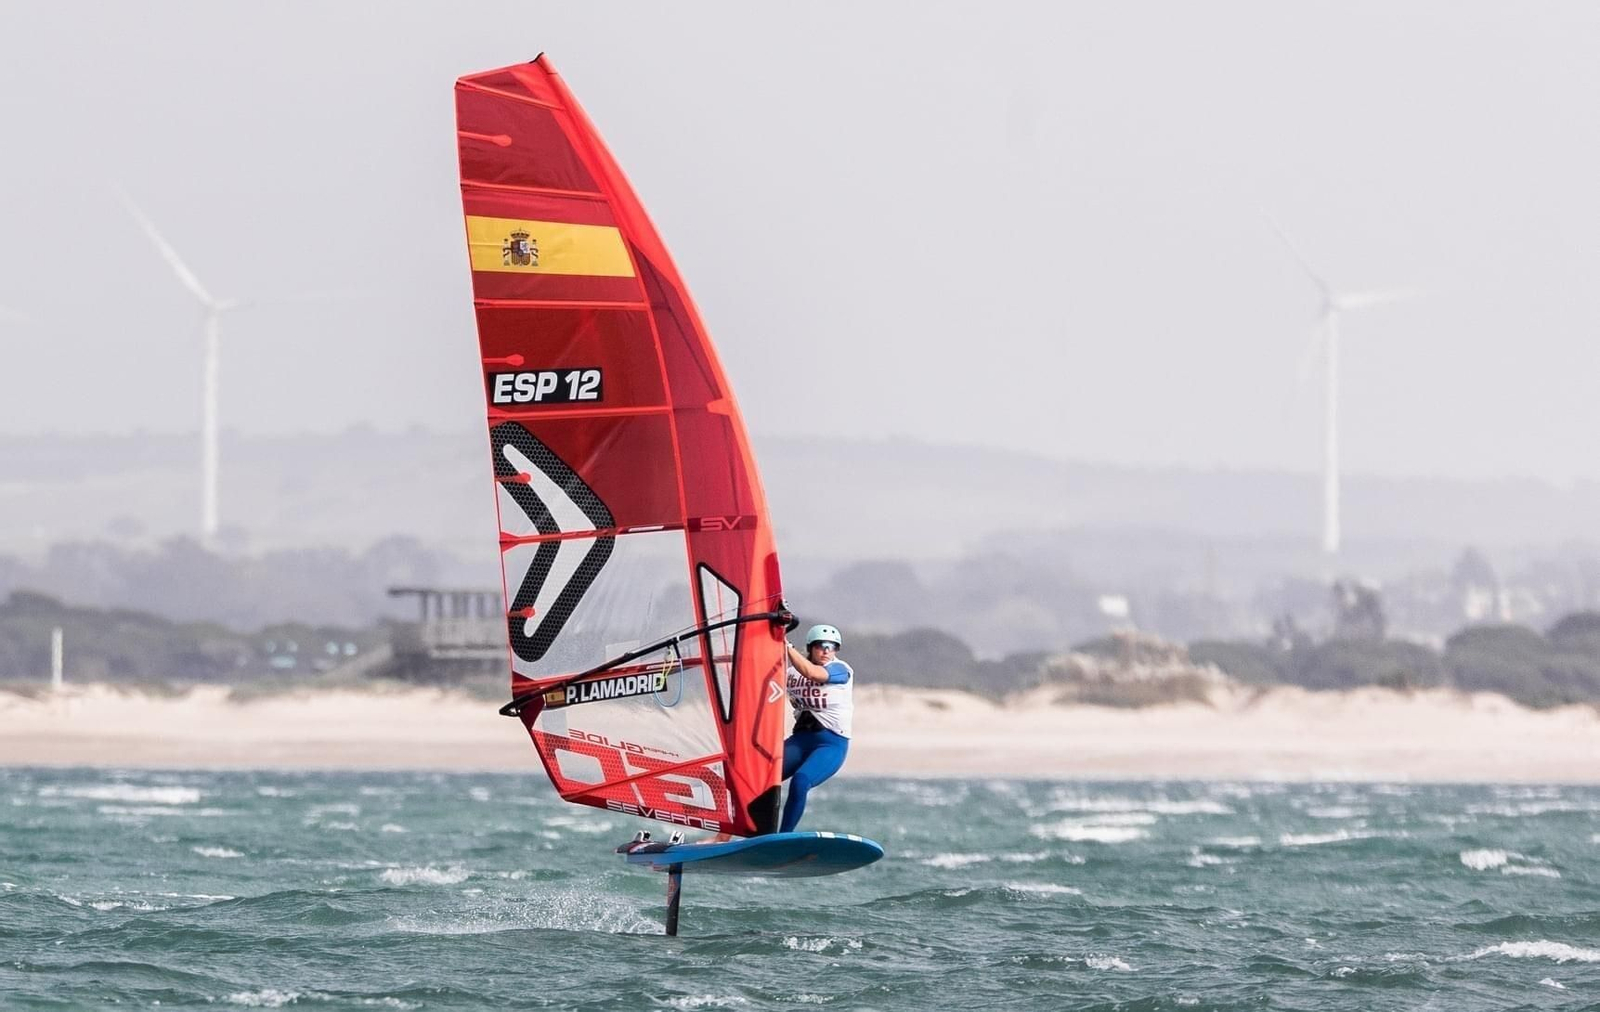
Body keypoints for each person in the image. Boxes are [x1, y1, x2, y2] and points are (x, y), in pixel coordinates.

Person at [780, 623, 853, 833]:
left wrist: (786, 646)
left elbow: (812, 673)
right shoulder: (790, 673)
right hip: (800, 740)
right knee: (759, 780)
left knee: (800, 781)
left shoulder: (841, 670)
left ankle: (783, 838)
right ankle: (730, 836)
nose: (827, 651)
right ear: (811, 647)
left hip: (831, 745)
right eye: (821, 645)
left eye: (832, 646)